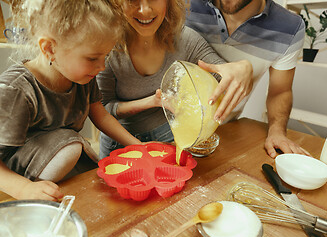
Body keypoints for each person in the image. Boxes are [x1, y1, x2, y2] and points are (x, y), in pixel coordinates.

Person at [0, 0, 142, 201]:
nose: (102, 66)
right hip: (15, 185)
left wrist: (138, 147)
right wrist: (23, 189)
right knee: (70, 146)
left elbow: (100, 114)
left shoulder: (82, 77)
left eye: (106, 56)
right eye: (93, 58)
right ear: (49, 48)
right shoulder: (15, 90)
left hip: (60, 170)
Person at [97, 0, 254, 159]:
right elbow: (102, 110)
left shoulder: (185, 39)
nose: (144, 10)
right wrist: (152, 101)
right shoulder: (107, 47)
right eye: (132, 0)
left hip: (168, 138)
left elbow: (221, 74)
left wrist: (243, 68)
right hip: (118, 143)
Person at [186, 0, 311, 158]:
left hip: (220, 138)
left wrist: (277, 132)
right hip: (163, 127)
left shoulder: (289, 28)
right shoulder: (183, 5)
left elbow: (280, 91)